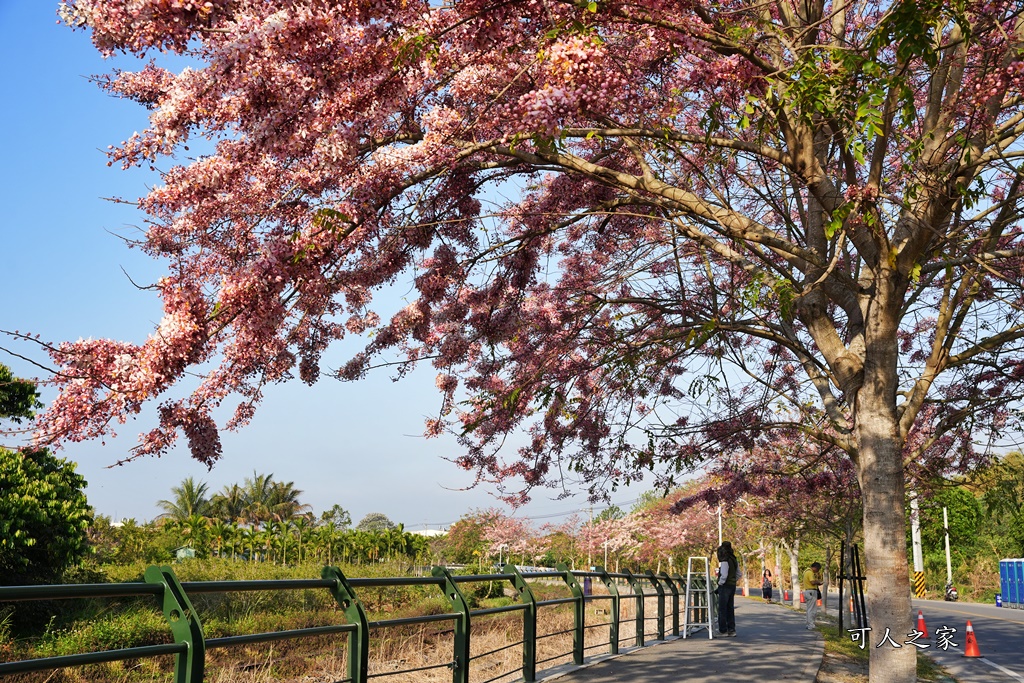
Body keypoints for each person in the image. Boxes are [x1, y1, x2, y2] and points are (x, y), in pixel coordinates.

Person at [716, 541, 738, 637]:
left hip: (725, 586)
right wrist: (733, 580)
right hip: (732, 585)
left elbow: (724, 575)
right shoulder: (734, 559)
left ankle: (723, 630)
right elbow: (739, 574)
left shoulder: (725, 560)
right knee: (730, 608)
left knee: (722, 609)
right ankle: (731, 630)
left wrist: (720, 583)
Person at [803, 561, 823, 630]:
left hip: (808, 591)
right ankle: (811, 625)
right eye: (818, 569)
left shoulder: (806, 571)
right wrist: (819, 582)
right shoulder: (810, 572)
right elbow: (812, 582)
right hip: (811, 591)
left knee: (809, 609)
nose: (817, 571)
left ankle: (809, 623)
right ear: (815, 568)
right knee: (812, 609)